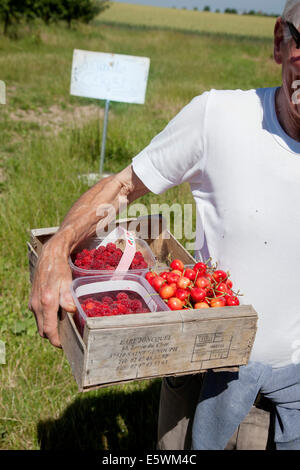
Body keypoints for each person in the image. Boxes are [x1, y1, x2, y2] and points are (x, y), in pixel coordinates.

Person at [29, 0, 300, 450]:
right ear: (280, 41)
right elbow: (120, 189)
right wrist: (57, 250)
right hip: (210, 378)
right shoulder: (220, 118)